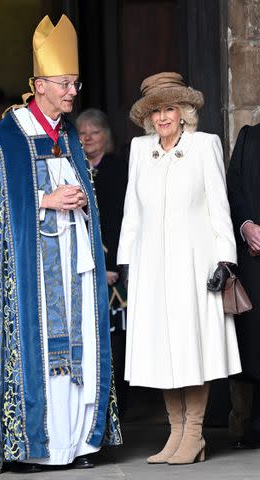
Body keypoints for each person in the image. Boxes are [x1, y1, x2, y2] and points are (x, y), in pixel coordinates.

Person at [0, 14, 121, 476]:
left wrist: (82, 201)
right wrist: (46, 199)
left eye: (76, 84)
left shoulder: (67, 134)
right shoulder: (8, 136)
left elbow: (83, 192)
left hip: (73, 265)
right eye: (65, 84)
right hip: (27, 274)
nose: (72, 93)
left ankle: (79, 441)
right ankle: (36, 447)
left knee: (80, 347)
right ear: (40, 84)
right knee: (40, 350)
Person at [117, 72, 242, 465]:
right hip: (151, 265)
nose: (162, 117)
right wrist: (126, 264)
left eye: (169, 108)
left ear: (184, 111)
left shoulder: (205, 146)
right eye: (155, 111)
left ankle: (194, 433)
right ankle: (175, 432)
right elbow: (131, 213)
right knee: (160, 350)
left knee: (192, 347)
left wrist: (226, 259)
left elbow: (219, 207)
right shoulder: (139, 149)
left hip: (195, 263)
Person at [76, 108, 128, 414]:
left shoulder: (117, 168)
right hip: (84, 264)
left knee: (116, 337)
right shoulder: (75, 167)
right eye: (82, 133)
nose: (87, 138)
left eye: (93, 133)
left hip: (113, 267)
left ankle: (119, 401)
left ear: (105, 137)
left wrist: (112, 266)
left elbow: (122, 219)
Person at [227, 123, 260, 448]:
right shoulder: (250, 135)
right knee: (253, 341)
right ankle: (252, 423)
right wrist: (246, 226)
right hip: (253, 257)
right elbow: (233, 188)